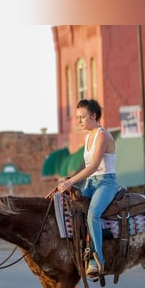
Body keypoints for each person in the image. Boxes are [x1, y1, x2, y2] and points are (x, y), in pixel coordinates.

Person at [55, 98, 118, 278]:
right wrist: (68, 180)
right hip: (91, 183)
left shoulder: (103, 135)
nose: (79, 121)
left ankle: (98, 260)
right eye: (77, 117)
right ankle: (76, 251)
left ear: (93, 115)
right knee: (70, 209)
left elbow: (94, 165)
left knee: (93, 214)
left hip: (106, 182)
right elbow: (85, 165)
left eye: (82, 117)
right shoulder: (88, 136)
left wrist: (71, 182)